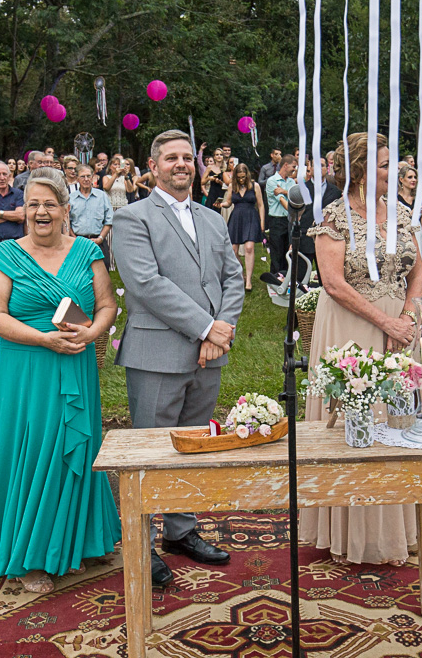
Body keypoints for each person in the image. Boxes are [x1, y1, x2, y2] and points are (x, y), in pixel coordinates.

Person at [0, 168, 120, 593]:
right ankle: (31, 555)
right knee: (35, 453)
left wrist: (93, 333)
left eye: (50, 204)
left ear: (65, 209)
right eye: (34, 204)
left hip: (75, 364)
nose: (41, 212)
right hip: (27, 370)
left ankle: (79, 542)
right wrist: (44, 339)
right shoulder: (5, 254)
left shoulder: (88, 253)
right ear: (25, 210)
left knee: (75, 452)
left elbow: (108, 305)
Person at [112, 129, 244, 588]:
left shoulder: (212, 218)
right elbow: (147, 285)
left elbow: (233, 276)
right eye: (171, 158)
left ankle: (181, 530)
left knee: (194, 446)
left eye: (188, 157)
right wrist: (206, 328)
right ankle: (143, 542)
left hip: (209, 356)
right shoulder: (132, 218)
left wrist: (219, 334)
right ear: (153, 166)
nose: (182, 164)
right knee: (152, 451)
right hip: (157, 353)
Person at [300, 132, 422, 565]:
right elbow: (333, 283)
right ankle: (349, 533)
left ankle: (395, 529)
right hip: (351, 327)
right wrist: (384, 321)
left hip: (401, 327)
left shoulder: (403, 215)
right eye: (387, 165)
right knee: (357, 420)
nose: (397, 172)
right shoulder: (334, 217)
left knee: (396, 421)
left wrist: (406, 319)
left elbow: (419, 274)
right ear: (359, 171)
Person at [221, 163, 265, 291]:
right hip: (236, 218)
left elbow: (261, 205)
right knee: (233, 250)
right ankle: (242, 273)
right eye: (239, 177)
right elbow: (229, 202)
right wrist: (222, 204)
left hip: (251, 217)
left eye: (243, 177)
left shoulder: (254, 186)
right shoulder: (232, 186)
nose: (241, 179)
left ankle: (249, 281)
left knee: (249, 247)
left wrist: (262, 222)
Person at [69, 165, 114, 268]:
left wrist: (101, 238)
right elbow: (67, 222)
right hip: (78, 242)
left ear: (93, 177)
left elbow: (109, 220)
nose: (86, 179)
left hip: (98, 241)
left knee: (102, 273)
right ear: (77, 178)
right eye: (82, 176)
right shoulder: (71, 199)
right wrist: (74, 239)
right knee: (79, 274)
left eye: (88, 176)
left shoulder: (102, 196)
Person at [265, 155, 298, 278]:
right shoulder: (272, 181)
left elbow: (295, 197)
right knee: (277, 251)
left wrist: (284, 191)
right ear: (285, 165)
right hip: (277, 220)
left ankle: (286, 277)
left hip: (289, 221)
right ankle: (275, 278)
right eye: (293, 167)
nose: (294, 170)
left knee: (287, 251)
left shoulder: (291, 182)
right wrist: (292, 208)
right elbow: (284, 202)